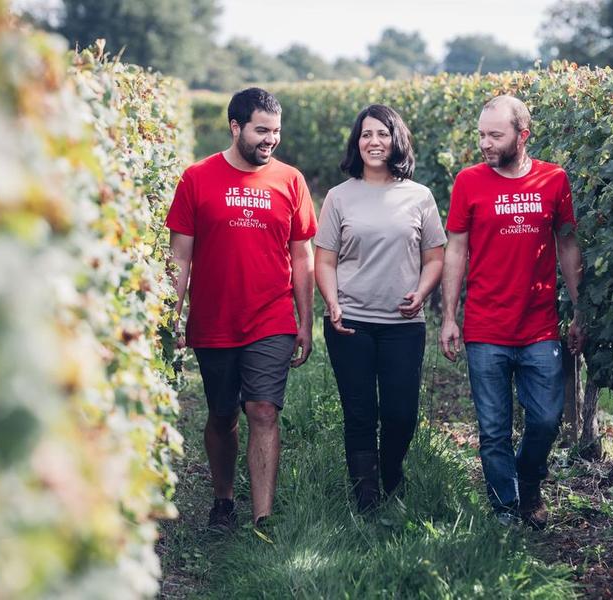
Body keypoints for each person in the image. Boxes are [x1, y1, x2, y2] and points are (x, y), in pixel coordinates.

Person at [166, 87, 317, 531]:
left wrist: (305, 321)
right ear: (236, 127)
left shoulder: (291, 181)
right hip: (214, 318)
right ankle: (223, 499)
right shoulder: (196, 178)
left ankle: (263, 518)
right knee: (221, 414)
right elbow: (180, 257)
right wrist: (173, 315)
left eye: (276, 131)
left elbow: (303, 254)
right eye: (262, 130)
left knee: (264, 410)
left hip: (271, 316)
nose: (271, 139)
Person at [439, 94, 585, 529]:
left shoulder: (554, 180)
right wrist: (449, 316)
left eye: (494, 135)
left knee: (545, 420)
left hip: (539, 325)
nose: (485, 143)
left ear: (522, 135)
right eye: (481, 134)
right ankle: (505, 508)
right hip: (485, 326)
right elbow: (456, 251)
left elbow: (568, 244)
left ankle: (528, 479)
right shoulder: (468, 182)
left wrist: (581, 311)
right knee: (494, 430)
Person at [314, 104, 446, 512]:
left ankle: (391, 472)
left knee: (401, 413)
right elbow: (324, 260)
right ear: (357, 142)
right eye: (367, 134)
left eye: (382, 134)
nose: (374, 142)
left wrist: (422, 293)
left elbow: (435, 257)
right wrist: (332, 303)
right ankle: (366, 497)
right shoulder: (339, 197)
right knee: (359, 413)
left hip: (403, 324)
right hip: (350, 321)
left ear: (396, 141)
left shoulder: (419, 196)